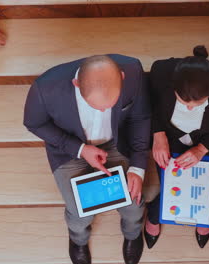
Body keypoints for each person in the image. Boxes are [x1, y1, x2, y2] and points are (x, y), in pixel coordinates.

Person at [23, 55, 151, 264]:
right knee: (79, 211)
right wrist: (80, 149)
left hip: (117, 143)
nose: (102, 111)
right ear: (76, 84)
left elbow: (140, 118)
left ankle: (133, 234)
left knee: (134, 203)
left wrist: (137, 167)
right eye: (95, 106)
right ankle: (79, 240)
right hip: (69, 149)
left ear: (122, 76)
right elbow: (33, 123)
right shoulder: (44, 89)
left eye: (110, 105)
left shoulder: (134, 71)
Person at [144, 46, 209, 249]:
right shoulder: (160, 71)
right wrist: (158, 134)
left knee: (202, 188)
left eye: (197, 103)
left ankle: (163, 214)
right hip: (169, 136)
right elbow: (149, 103)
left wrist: (202, 148)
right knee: (171, 182)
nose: (190, 108)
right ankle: (164, 216)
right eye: (183, 102)